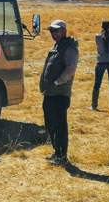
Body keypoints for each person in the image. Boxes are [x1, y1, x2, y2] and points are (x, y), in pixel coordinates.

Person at [39, 19, 79, 166]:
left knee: (60, 126)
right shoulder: (57, 46)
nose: (53, 33)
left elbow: (70, 70)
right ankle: (57, 152)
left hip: (60, 94)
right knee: (50, 124)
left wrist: (57, 82)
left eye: (56, 31)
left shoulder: (69, 48)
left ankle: (62, 156)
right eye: (52, 31)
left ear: (64, 31)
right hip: (50, 93)